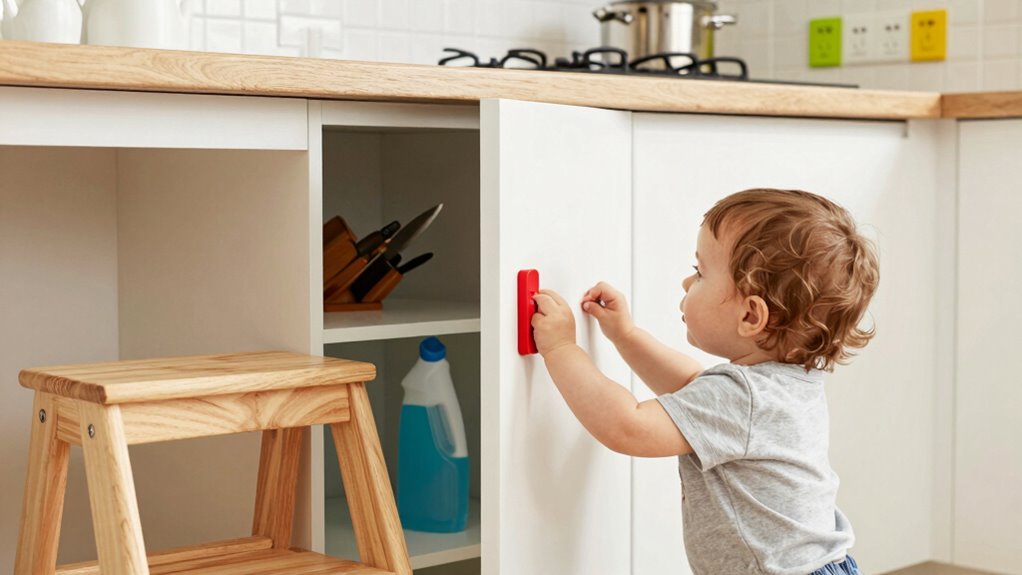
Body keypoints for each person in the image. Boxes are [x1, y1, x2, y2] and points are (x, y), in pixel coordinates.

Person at [531, 188, 879, 575]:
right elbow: (693, 386)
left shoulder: (742, 397)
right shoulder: (783, 383)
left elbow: (627, 426)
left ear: (751, 316)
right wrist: (625, 335)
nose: (685, 282)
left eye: (700, 272)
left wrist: (561, 348)